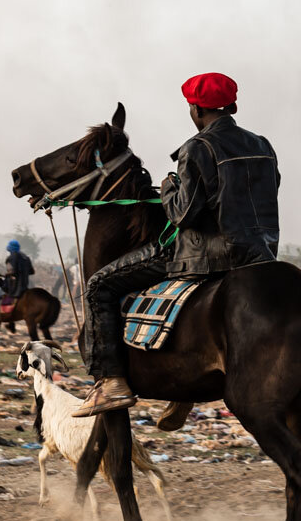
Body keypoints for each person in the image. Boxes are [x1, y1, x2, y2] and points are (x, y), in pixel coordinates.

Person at [72, 71, 279, 417]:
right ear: (233, 105)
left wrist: (169, 187)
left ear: (196, 110)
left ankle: (110, 383)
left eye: (190, 107)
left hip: (205, 257)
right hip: (259, 254)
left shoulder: (198, 148)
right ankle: (184, 385)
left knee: (99, 286)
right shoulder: (262, 145)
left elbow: (183, 214)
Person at [0, 239, 35, 331]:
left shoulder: (10, 258)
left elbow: (11, 272)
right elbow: (31, 271)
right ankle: (11, 324)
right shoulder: (26, 257)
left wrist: (6, 276)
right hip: (24, 287)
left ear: (9, 248)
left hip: (11, 287)